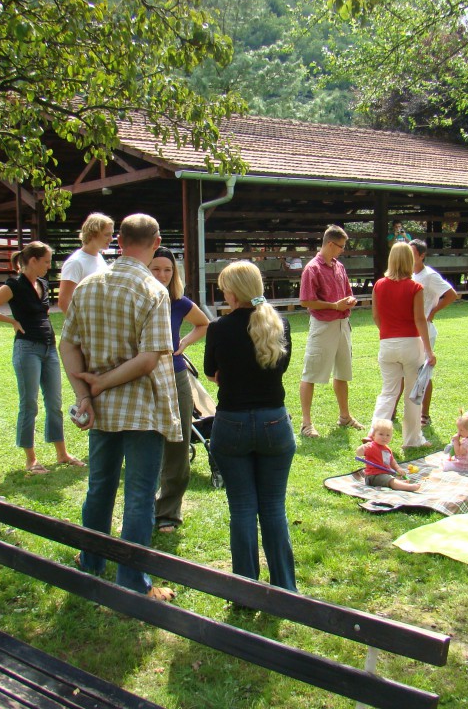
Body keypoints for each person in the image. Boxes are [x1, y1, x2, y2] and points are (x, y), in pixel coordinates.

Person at [59, 213, 181, 601]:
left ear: (120, 241)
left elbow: (68, 343)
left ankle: (91, 562)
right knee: (140, 494)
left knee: (100, 487)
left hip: (99, 409)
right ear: (156, 240)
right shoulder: (153, 289)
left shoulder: (88, 284)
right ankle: (132, 581)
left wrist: (85, 393)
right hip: (142, 407)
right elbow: (148, 360)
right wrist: (102, 382)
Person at [204, 261, 297, 591]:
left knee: (242, 508)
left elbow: (210, 371)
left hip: (232, 422)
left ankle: (245, 589)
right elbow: (280, 368)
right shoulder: (279, 325)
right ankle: (286, 587)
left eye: (224, 287)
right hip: (275, 421)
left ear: (233, 291)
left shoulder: (219, 328)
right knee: (273, 508)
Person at [0, 242, 83, 473]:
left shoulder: (43, 284)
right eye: (46, 261)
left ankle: (62, 453)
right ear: (33, 260)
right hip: (27, 349)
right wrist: (13, 322)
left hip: (49, 348)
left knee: (55, 403)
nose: (49, 265)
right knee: (29, 404)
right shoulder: (14, 285)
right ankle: (31, 459)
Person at [148, 246, 210, 533]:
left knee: (178, 446)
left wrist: (183, 343)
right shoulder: (140, 298)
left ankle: (168, 514)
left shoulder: (178, 301)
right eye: (156, 268)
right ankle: (143, 509)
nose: (161, 275)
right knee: (146, 444)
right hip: (144, 379)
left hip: (177, 377)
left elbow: (203, 323)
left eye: (167, 270)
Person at [298, 225, 364, 438]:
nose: (342, 250)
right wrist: (335, 306)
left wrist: (349, 301)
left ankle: (345, 416)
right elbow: (306, 300)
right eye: (340, 246)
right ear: (329, 244)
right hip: (323, 325)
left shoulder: (339, 267)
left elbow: (347, 293)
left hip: (342, 325)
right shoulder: (312, 268)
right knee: (311, 373)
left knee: (343, 372)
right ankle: (306, 423)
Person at [370, 242, 436, 449]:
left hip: (387, 343)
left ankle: (374, 436)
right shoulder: (415, 287)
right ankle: (412, 440)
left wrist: (387, 333)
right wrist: (429, 350)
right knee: (412, 394)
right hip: (410, 343)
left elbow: (376, 316)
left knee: (388, 392)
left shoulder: (379, 285)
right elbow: (419, 319)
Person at [405, 239, 457, 426]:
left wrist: (433, 311)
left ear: (421, 255)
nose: (409, 258)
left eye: (412, 254)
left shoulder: (429, 275)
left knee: (424, 373)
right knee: (406, 371)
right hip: (410, 330)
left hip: (425, 330)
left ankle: (424, 415)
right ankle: (398, 411)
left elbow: (451, 294)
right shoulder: (408, 274)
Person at [57, 213, 114, 314]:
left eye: (111, 234)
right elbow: (64, 301)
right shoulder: (75, 262)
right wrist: (82, 325)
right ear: (93, 234)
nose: (111, 238)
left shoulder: (99, 257)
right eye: (107, 234)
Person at [354, 419, 420, 491]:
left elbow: (392, 462)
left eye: (388, 435)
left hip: (386, 473)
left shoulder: (387, 449)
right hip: (373, 476)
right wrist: (362, 447)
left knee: (397, 476)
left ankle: (400, 483)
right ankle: (407, 487)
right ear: (373, 435)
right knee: (390, 479)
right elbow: (358, 453)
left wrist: (398, 469)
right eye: (381, 434)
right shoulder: (371, 446)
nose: (384, 437)